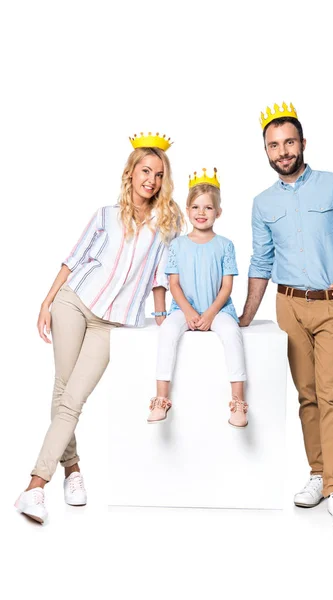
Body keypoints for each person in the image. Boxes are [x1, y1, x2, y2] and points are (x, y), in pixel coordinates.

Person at [239, 102, 333, 531]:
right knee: (306, 396)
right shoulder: (262, 202)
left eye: (289, 142)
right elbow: (261, 261)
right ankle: (317, 474)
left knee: (332, 397)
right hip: (288, 306)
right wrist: (246, 318)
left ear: (303, 143)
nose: (282, 151)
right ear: (266, 152)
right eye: (273, 146)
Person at [15, 133, 184, 524]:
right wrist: (46, 302)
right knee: (62, 391)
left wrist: (162, 320)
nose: (151, 180)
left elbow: (160, 277)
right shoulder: (106, 214)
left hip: (115, 321)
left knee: (72, 398)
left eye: (159, 174)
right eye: (145, 171)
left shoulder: (166, 226)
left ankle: (38, 484)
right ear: (131, 173)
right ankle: (55, 479)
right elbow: (74, 259)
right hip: (74, 301)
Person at [147, 168, 248, 428]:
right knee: (168, 331)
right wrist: (190, 313)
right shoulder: (178, 245)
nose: (201, 213)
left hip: (218, 309)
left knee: (231, 335)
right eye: (195, 207)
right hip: (184, 308)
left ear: (218, 212)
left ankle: (238, 401)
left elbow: (226, 287)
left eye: (208, 208)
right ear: (188, 210)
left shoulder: (225, 245)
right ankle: (161, 398)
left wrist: (211, 313)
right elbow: (174, 284)